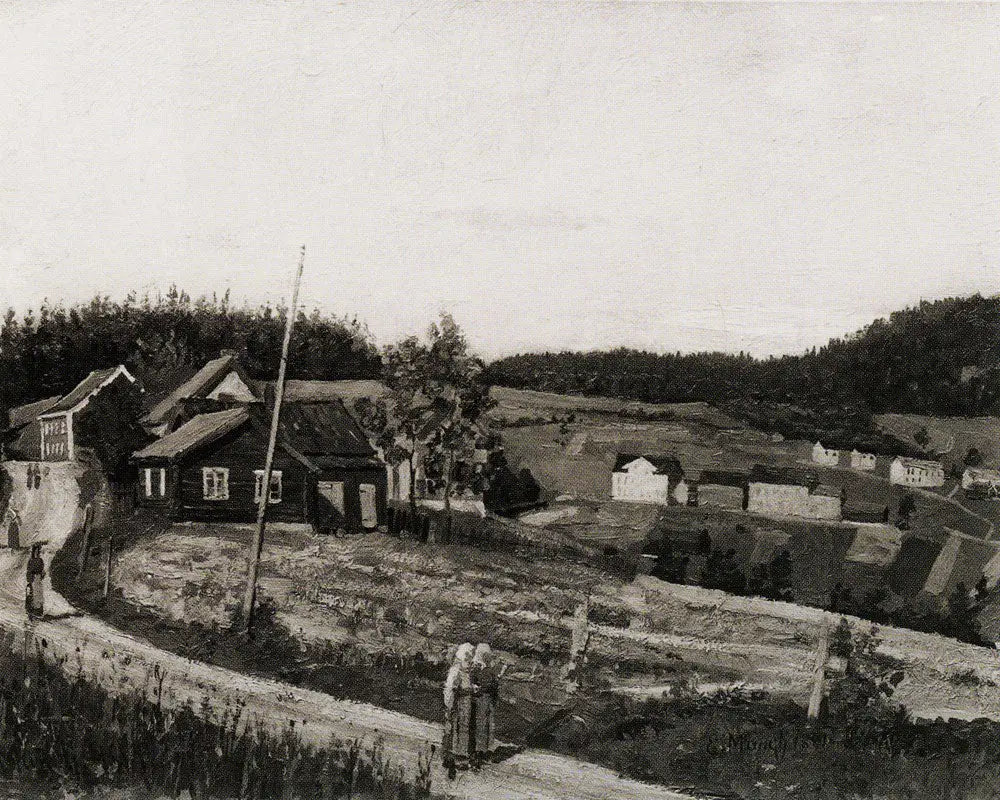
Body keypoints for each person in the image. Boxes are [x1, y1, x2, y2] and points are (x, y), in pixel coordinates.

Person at [443, 643, 475, 774]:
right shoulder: (456, 670)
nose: (470, 660)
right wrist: (469, 690)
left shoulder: (465, 671)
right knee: (456, 730)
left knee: (462, 730)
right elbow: (453, 689)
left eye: (471, 657)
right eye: (468, 657)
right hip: (458, 705)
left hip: (464, 705)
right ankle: (455, 759)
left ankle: (455, 757)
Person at [471, 643, 499, 763]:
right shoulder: (479, 670)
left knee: (484, 725)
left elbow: (492, 687)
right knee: (483, 725)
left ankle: (482, 750)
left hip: (484, 699)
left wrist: (478, 689)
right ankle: (481, 750)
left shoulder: (487, 671)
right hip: (482, 699)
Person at [26, 543, 45, 618]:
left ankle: (39, 611)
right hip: (33, 578)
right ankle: (33, 610)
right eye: (35, 551)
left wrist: (42, 575)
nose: (36, 552)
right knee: (33, 593)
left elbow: (42, 569)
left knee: (39, 593)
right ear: (33, 552)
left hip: (38, 578)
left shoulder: (40, 560)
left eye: (38, 551)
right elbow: (29, 571)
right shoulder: (31, 560)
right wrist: (29, 580)